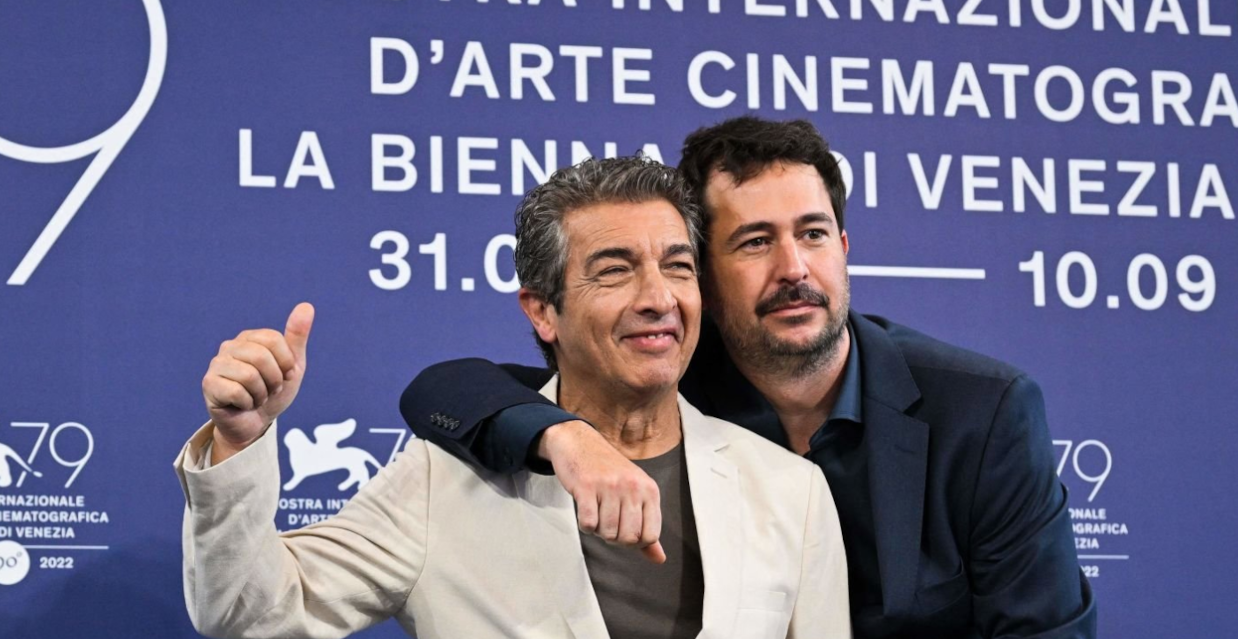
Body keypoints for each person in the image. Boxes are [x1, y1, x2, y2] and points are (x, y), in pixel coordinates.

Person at [401, 117, 1097, 639]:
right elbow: (453, 390)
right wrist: (565, 440)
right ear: (699, 271)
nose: (794, 267)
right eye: (756, 242)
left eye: (815, 234)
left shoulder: (983, 412)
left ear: (846, 249)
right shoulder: (666, 378)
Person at [175, 155, 849, 639]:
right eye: (615, 270)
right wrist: (240, 442)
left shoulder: (790, 492)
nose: (658, 299)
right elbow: (248, 615)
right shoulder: (444, 481)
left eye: (677, 266)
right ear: (542, 311)